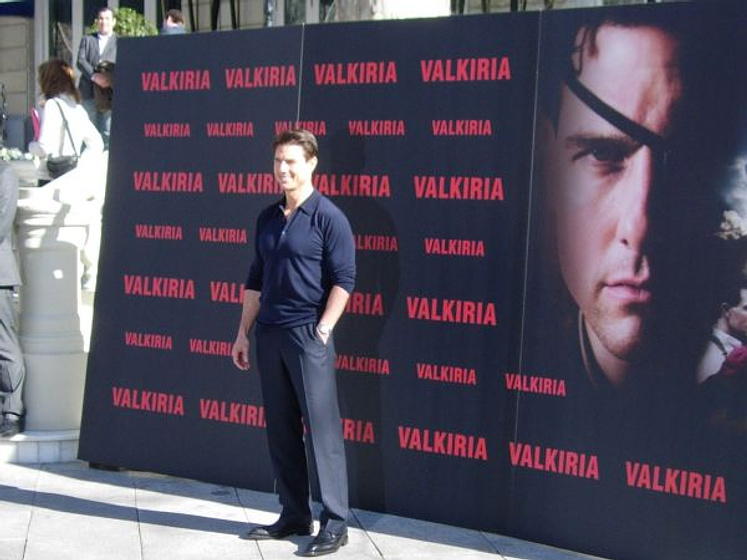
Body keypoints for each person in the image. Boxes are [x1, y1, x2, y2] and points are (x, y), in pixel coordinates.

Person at [231, 129, 355, 557]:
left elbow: (344, 281)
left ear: (312, 164)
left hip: (307, 337)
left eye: (292, 162)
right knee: (281, 429)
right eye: (278, 161)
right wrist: (243, 332)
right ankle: (294, 514)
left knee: (322, 432)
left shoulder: (328, 217)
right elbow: (255, 280)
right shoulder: (267, 218)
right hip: (269, 334)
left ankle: (335, 521)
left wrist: (322, 330)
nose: (283, 169)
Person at [0, 162, 25, 438]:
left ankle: (12, 410)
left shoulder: (5, 173)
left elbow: (2, 223)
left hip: (0, 275)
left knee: (4, 344)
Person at [76, 6, 117, 149]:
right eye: (101, 18)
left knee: (108, 132)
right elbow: (80, 61)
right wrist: (94, 76)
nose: (103, 22)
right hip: (89, 93)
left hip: (109, 94)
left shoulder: (119, 42)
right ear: (96, 21)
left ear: (113, 22)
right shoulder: (87, 39)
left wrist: (108, 80)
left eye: (107, 19)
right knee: (89, 133)